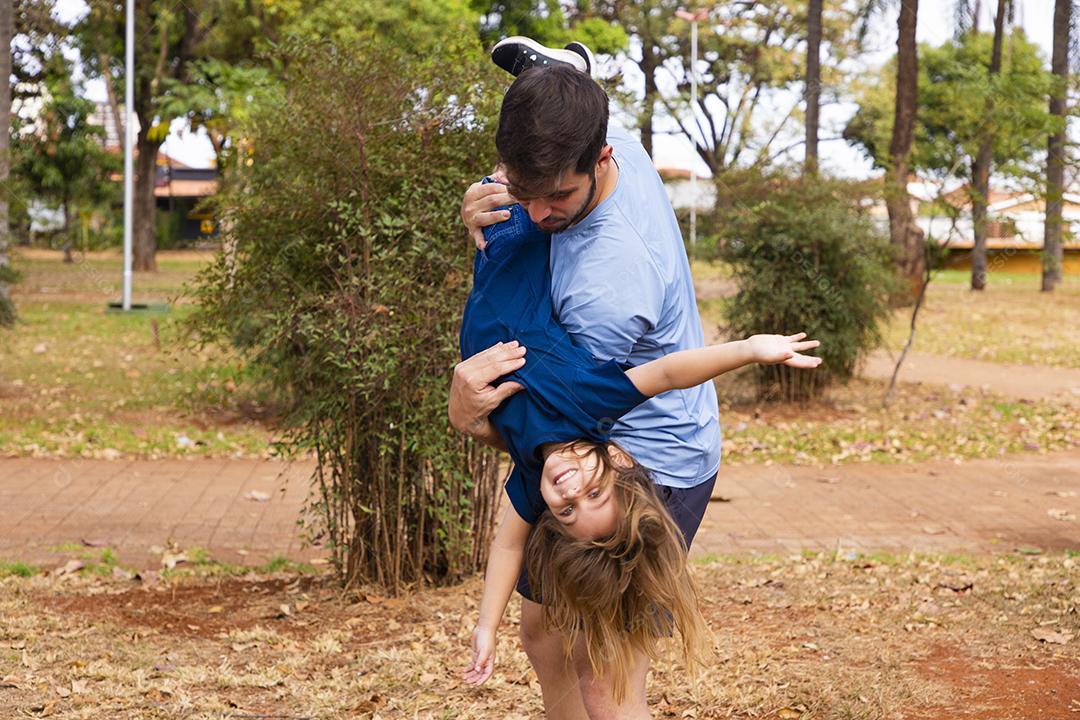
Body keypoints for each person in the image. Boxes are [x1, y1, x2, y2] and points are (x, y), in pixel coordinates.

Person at [457, 193, 822, 702]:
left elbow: (508, 545)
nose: (570, 491)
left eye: (565, 509)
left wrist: (485, 628)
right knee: (514, 170)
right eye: (595, 494)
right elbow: (669, 373)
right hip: (529, 237)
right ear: (618, 460)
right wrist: (749, 350)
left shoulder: (528, 471)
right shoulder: (590, 404)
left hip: (495, 255)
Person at [449, 48, 723, 718]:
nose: (539, 214)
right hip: (609, 419)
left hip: (641, 457)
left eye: (558, 198)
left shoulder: (602, 288)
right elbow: (528, 197)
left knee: (603, 655)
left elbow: (549, 435)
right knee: (542, 630)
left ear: (600, 161)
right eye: (524, 192)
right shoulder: (597, 132)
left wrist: (466, 415)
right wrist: (483, 215)